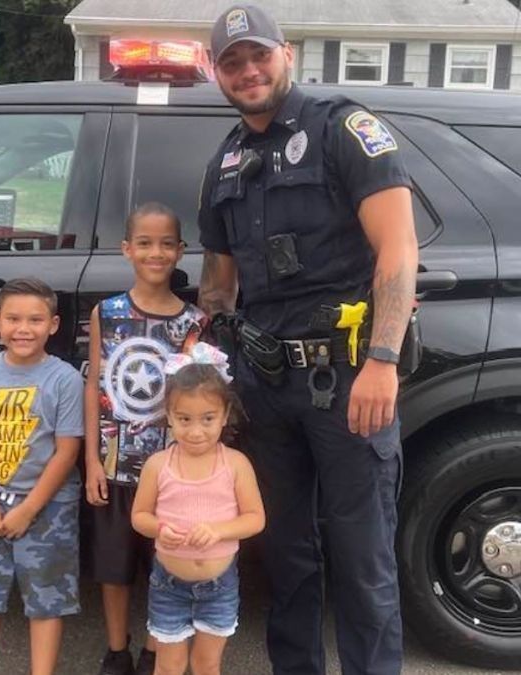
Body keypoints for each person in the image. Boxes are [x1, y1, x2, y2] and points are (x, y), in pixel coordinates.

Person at [196, 5, 419, 674]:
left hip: (349, 380)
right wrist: (207, 352)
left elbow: (399, 250)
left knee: (362, 556)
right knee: (286, 554)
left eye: (258, 55)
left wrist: (381, 358)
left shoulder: (342, 128)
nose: (247, 70)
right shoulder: (225, 162)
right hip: (266, 388)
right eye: (232, 62)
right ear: (217, 74)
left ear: (285, 53)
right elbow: (218, 285)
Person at [83, 203, 208, 675]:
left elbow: (195, 395)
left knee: (166, 568)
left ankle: (157, 648)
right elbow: (94, 383)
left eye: (165, 244)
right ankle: (117, 650)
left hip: (170, 473)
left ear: (179, 251)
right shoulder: (107, 313)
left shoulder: (192, 322)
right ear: (127, 249)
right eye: (144, 243)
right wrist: (93, 461)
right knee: (113, 566)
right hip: (114, 463)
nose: (155, 253)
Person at [0, 277, 85, 675]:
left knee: (46, 600)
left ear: (53, 325)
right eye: (14, 319)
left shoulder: (65, 379)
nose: (24, 329)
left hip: (49, 508)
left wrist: (30, 509)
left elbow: (67, 451)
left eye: (35, 320)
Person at [130, 345, 265, 675]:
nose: (195, 431)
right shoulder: (158, 465)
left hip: (219, 587)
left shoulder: (235, 464)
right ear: (169, 414)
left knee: (207, 665)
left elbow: (255, 518)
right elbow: (139, 517)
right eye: (184, 419)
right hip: (168, 586)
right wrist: (160, 528)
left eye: (207, 419)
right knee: (168, 666)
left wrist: (219, 530)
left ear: (224, 414)